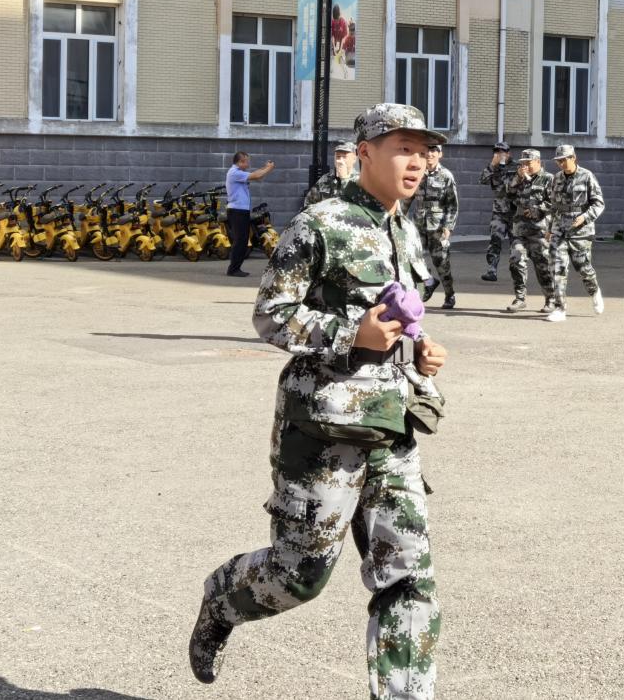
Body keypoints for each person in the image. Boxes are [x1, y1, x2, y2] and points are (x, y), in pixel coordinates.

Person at [189, 103, 448, 700]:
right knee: (299, 574)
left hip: (392, 429)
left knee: (409, 579)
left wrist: (422, 353)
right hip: (324, 430)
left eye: (423, 151)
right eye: (403, 149)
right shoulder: (320, 224)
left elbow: (398, 320)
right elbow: (270, 314)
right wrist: (351, 335)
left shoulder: (405, 229)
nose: (417, 162)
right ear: (367, 152)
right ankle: (221, 601)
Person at [546, 145, 605, 322]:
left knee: (584, 269)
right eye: (558, 161)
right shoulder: (556, 178)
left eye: (564, 160)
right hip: (559, 229)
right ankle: (559, 308)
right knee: (557, 267)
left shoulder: (587, 176)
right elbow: (553, 206)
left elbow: (599, 203)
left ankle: (594, 291)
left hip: (580, 232)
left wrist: (585, 217)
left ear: (573, 158)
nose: (561, 164)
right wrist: (549, 228)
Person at [505, 149, 556, 314]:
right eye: (523, 163)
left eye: (528, 163)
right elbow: (508, 195)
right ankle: (520, 299)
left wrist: (538, 209)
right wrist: (517, 179)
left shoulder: (548, 179)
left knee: (543, 266)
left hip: (539, 230)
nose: (525, 166)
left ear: (538, 162)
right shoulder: (519, 178)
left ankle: (551, 299)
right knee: (516, 260)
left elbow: (554, 202)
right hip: (520, 230)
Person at [410, 144, 459, 309]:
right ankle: (428, 284)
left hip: (437, 227)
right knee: (414, 259)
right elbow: (407, 199)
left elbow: (452, 205)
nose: (429, 154)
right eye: (427, 151)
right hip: (418, 225)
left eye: (433, 151)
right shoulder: (417, 172)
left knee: (442, 263)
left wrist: (448, 227)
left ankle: (449, 294)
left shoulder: (446, 176)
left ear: (440, 154)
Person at [224, 151, 275, 277]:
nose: (248, 164)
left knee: (242, 240)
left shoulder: (239, 172)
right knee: (240, 241)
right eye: (246, 161)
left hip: (241, 211)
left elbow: (257, 175)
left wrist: (265, 168)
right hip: (237, 211)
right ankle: (233, 269)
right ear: (240, 162)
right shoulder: (234, 173)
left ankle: (235, 268)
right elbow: (256, 176)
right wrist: (268, 168)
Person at [478, 141, 515, 282]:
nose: (499, 154)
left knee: (515, 243)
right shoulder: (493, 168)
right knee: (495, 241)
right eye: (497, 152)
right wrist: (492, 165)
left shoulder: (517, 166)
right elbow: (482, 180)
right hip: (499, 212)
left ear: (508, 153)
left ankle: (516, 270)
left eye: (502, 152)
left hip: (515, 212)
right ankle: (491, 270)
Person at [303, 141, 357, 208]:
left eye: (344, 157)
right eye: (338, 157)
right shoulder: (326, 179)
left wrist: (344, 179)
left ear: (354, 159)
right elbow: (309, 203)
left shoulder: (360, 181)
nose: (340, 161)